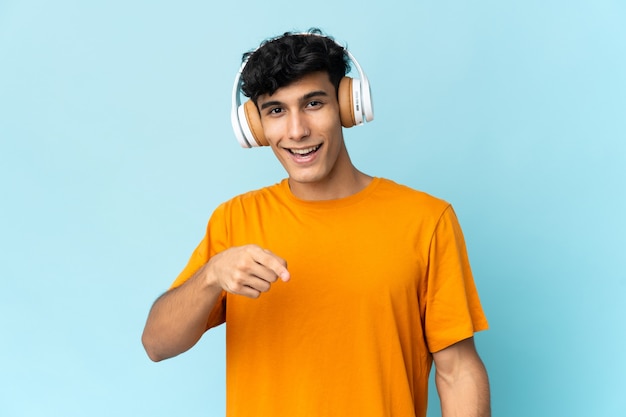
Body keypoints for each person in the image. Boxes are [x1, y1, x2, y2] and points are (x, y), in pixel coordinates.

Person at [142, 28, 490, 417]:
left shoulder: (427, 220)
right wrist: (211, 276)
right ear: (255, 127)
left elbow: (457, 371)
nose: (296, 131)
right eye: (276, 110)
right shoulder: (235, 220)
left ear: (347, 105)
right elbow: (157, 344)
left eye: (313, 103)